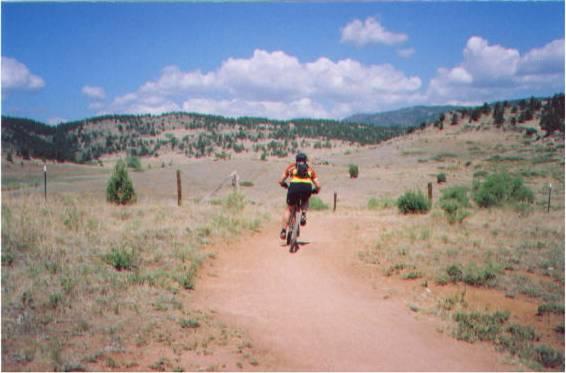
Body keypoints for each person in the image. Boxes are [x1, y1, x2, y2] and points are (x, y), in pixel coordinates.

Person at [278, 152, 321, 240]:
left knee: (289, 209)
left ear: (296, 160)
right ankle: (303, 214)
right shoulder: (310, 169)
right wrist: (316, 190)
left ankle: (283, 231)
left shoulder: (291, 167)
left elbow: (281, 180)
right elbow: (318, 185)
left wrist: (283, 184)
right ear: (305, 161)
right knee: (305, 200)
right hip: (306, 188)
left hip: (294, 187)